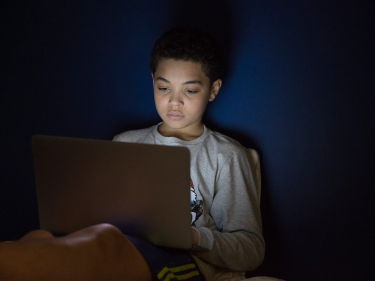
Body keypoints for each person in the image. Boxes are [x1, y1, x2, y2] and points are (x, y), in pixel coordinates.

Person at [0, 28, 264, 281]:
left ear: (213, 90)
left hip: (181, 261)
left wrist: (195, 237)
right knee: (40, 236)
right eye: (164, 88)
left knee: (106, 245)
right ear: (152, 81)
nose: (174, 101)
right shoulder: (125, 142)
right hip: (117, 241)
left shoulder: (226, 155)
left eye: (190, 90)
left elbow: (251, 249)